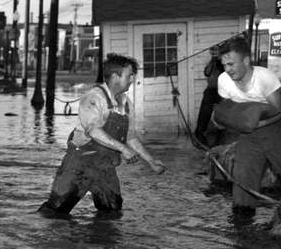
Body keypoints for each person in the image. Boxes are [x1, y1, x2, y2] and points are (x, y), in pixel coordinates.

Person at [38, 53, 165, 217]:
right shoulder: (93, 98)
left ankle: (101, 241)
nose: (133, 79)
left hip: (105, 168)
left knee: (112, 212)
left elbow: (130, 137)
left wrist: (151, 161)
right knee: (55, 213)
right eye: (130, 75)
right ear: (115, 76)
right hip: (79, 165)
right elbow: (93, 130)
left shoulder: (126, 103)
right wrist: (123, 149)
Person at [214, 35, 281, 220]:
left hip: (275, 129)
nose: (227, 70)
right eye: (224, 65)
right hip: (247, 133)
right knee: (243, 179)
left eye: (231, 64)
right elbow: (228, 110)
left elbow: (279, 112)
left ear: (247, 61)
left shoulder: (265, 78)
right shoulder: (223, 80)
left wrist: (255, 124)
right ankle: (242, 224)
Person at [194, 44, 225, 147]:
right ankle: (199, 133)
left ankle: (221, 138)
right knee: (204, 113)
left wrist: (218, 58)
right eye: (213, 51)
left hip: (223, 91)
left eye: (216, 50)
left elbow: (223, 70)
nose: (214, 52)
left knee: (221, 114)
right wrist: (213, 58)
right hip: (211, 90)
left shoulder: (224, 61)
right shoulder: (211, 61)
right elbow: (207, 73)